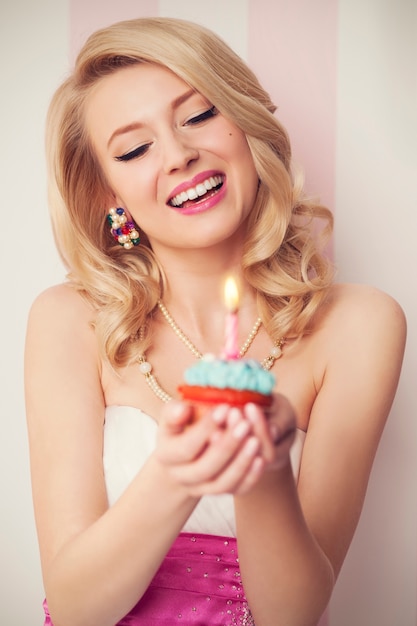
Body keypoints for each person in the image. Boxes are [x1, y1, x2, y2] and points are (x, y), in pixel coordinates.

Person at [24, 16, 406, 626]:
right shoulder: (68, 320)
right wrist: (176, 472)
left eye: (199, 116)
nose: (179, 155)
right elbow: (74, 608)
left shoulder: (359, 325)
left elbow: (294, 614)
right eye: (134, 148)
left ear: (244, 123)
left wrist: (265, 466)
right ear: (107, 194)